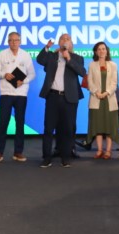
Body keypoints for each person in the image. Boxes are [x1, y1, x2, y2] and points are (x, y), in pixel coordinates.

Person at [36, 34, 85, 168]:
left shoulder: (77, 58)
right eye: (63, 39)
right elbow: (40, 60)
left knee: (67, 129)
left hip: (69, 98)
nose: (65, 41)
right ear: (59, 42)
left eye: (68, 39)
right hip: (52, 96)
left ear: (71, 43)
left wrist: (68, 58)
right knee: (48, 128)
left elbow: (82, 72)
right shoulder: (52, 56)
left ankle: (66, 157)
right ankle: (47, 158)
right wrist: (47, 47)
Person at [0, 32, 36, 163]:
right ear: (8, 42)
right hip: (6, 93)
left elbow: (32, 74)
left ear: (20, 41)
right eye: (11, 40)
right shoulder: (2, 54)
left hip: (21, 94)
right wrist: (4, 74)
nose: (14, 42)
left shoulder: (25, 55)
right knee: (3, 122)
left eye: (16, 40)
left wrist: (24, 81)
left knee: (20, 123)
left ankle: (18, 152)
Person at [86, 42, 119, 160]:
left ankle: (108, 151)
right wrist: (97, 93)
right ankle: (99, 150)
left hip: (109, 99)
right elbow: (90, 82)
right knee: (98, 126)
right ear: (96, 52)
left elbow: (114, 83)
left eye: (103, 49)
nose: (101, 51)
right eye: (99, 49)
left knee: (109, 126)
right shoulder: (92, 65)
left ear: (107, 51)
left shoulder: (113, 65)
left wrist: (106, 93)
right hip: (96, 99)